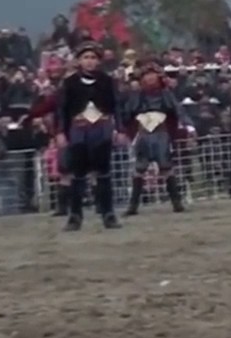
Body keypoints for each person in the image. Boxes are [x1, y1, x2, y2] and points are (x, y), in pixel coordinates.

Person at [53, 41, 122, 231]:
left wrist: (121, 130)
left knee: (104, 173)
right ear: (79, 61)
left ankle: (108, 214)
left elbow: (116, 107)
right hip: (78, 131)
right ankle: (75, 216)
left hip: (101, 129)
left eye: (93, 58)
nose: (89, 62)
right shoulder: (69, 83)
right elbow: (62, 110)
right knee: (77, 174)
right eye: (86, 58)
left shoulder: (107, 81)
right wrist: (60, 132)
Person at [122, 65, 193, 216]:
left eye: (153, 75)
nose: (150, 78)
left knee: (166, 166)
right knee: (139, 168)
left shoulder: (166, 94)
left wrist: (189, 126)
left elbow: (178, 109)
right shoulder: (136, 95)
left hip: (161, 133)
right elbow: (127, 113)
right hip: (143, 134)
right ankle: (133, 206)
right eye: (147, 75)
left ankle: (177, 203)